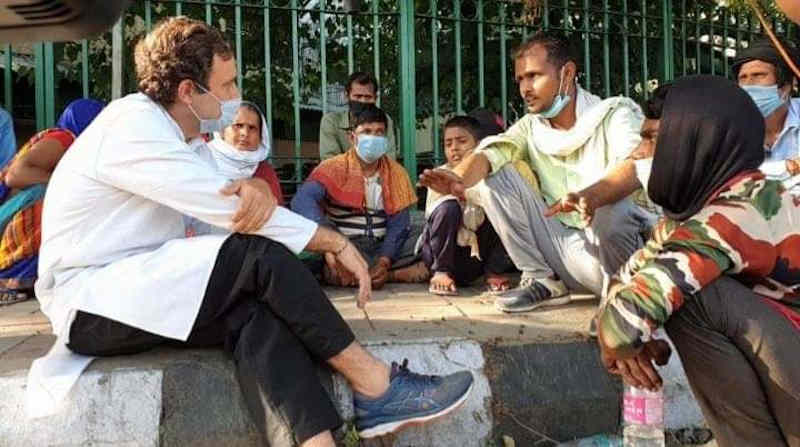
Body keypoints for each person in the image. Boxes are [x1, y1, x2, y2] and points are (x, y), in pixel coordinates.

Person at [25, 18, 473, 447]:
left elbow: (232, 208)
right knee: (257, 259)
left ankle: (316, 441)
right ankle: (375, 384)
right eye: (226, 86)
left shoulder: (187, 143)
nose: (235, 96)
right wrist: (332, 241)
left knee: (254, 315)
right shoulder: (131, 127)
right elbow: (227, 208)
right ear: (187, 91)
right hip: (92, 302)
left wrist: (257, 188)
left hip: (144, 291)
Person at [591, 75, 799, 447]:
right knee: (674, 291)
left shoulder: (739, 210)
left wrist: (623, 338)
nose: (638, 153)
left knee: (693, 299)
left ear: (692, 142)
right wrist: (625, 329)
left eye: (652, 138)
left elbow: (622, 324)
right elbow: (623, 284)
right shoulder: (689, 220)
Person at [419, 31, 654, 313]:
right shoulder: (530, 126)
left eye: (534, 76)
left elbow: (635, 164)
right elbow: (490, 152)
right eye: (520, 79)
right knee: (495, 174)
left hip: (625, 260)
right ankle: (543, 281)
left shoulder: (615, 114)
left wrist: (592, 196)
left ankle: (623, 303)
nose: (525, 88)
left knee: (611, 210)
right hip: (564, 252)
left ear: (567, 73)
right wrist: (459, 178)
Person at [292, 104, 422, 290]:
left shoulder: (397, 173)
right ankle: (391, 274)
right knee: (314, 256)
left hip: (383, 247)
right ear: (352, 137)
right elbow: (302, 201)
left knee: (427, 238)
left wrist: (385, 261)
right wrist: (331, 245)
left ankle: (378, 273)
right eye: (367, 131)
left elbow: (399, 224)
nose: (374, 137)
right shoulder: (332, 167)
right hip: (346, 245)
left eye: (379, 132)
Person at [0, 98, 104, 306]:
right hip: (9, 217)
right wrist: (65, 181)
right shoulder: (65, 138)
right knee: (58, 197)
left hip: (13, 217)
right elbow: (15, 176)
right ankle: (9, 277)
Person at [413, 115, 515, 295]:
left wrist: (469, 192)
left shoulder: (487, 177)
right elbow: (436, 221)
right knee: (449, 207)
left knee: (497, 204)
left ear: (478, 146)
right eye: (448, 144)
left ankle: (493, 271)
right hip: (442, 254)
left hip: (475, 259)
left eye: (461, 141)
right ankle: (441, 272)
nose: (454, 148)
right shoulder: (439, 175)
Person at [187, 101, 284, 237]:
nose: (244, 133)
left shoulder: (264, 171)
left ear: (261, 136)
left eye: (252, 128)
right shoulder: (200, 157)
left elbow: (275, 216)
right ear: (222, 130)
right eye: (238, 126)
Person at [733, 37, 800, 193]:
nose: (748, 85)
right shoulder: (730, 128)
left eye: (759, 75)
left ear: (787, 85)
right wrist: (788, 167)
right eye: (743, 78)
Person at [319, 72, 397, 161]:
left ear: (375, 98)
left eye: (368, 97)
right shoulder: (332, 121)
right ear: (346, 96)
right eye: (358, 96)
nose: (363, 101)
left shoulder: (385, 120)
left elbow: (389, 160)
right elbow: (330, 163)